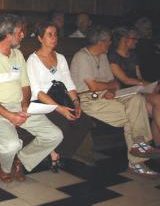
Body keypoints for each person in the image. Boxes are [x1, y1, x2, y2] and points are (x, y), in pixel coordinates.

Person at [0, 14, 63, 183]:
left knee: (55, 135)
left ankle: (21, 160)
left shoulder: (18, 54)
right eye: (20, 32)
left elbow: (25, 85)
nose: (23, 35)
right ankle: (5, 166)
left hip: (19, 107)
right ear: (9, 34)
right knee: (11, 144)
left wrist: (24, 105)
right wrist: (9, 115)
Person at [70, 26, 160, 177]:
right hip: (86, 100)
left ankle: (139, 142)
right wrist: (108, 87)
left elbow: (114, 82)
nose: (110, 44)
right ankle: (136, 162)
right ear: (101, 42)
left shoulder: (103, 56)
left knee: (137, 99)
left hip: (107, 96)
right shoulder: (82, 57)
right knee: (133, 116)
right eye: (108, 42)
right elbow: (92, 87)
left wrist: (110, 90)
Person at [26, 22, 94, 171]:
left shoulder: (61, 58)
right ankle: (54, 155)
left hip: (61, 99)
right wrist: (60, 109)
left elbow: (69, 84)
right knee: (63, 122)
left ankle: (59, 152)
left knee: (84, 121)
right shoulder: (33, 60)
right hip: (42, 103)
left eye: (55, 34)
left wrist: (76, 102)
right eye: (49, 34)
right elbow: (37, 91)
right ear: (40, 38)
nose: (54, 38)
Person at [109, 26, 160, 147]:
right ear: (124, 40)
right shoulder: (113, 56)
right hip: (120, 91)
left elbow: (139, 77)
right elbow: (124, 80)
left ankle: (158, 146)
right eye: (134, 38)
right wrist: (145, 84)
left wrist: (150, 86)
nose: (137, 40)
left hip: (136, 89)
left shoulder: (133, 55)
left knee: (155, 108)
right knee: (158, 100)